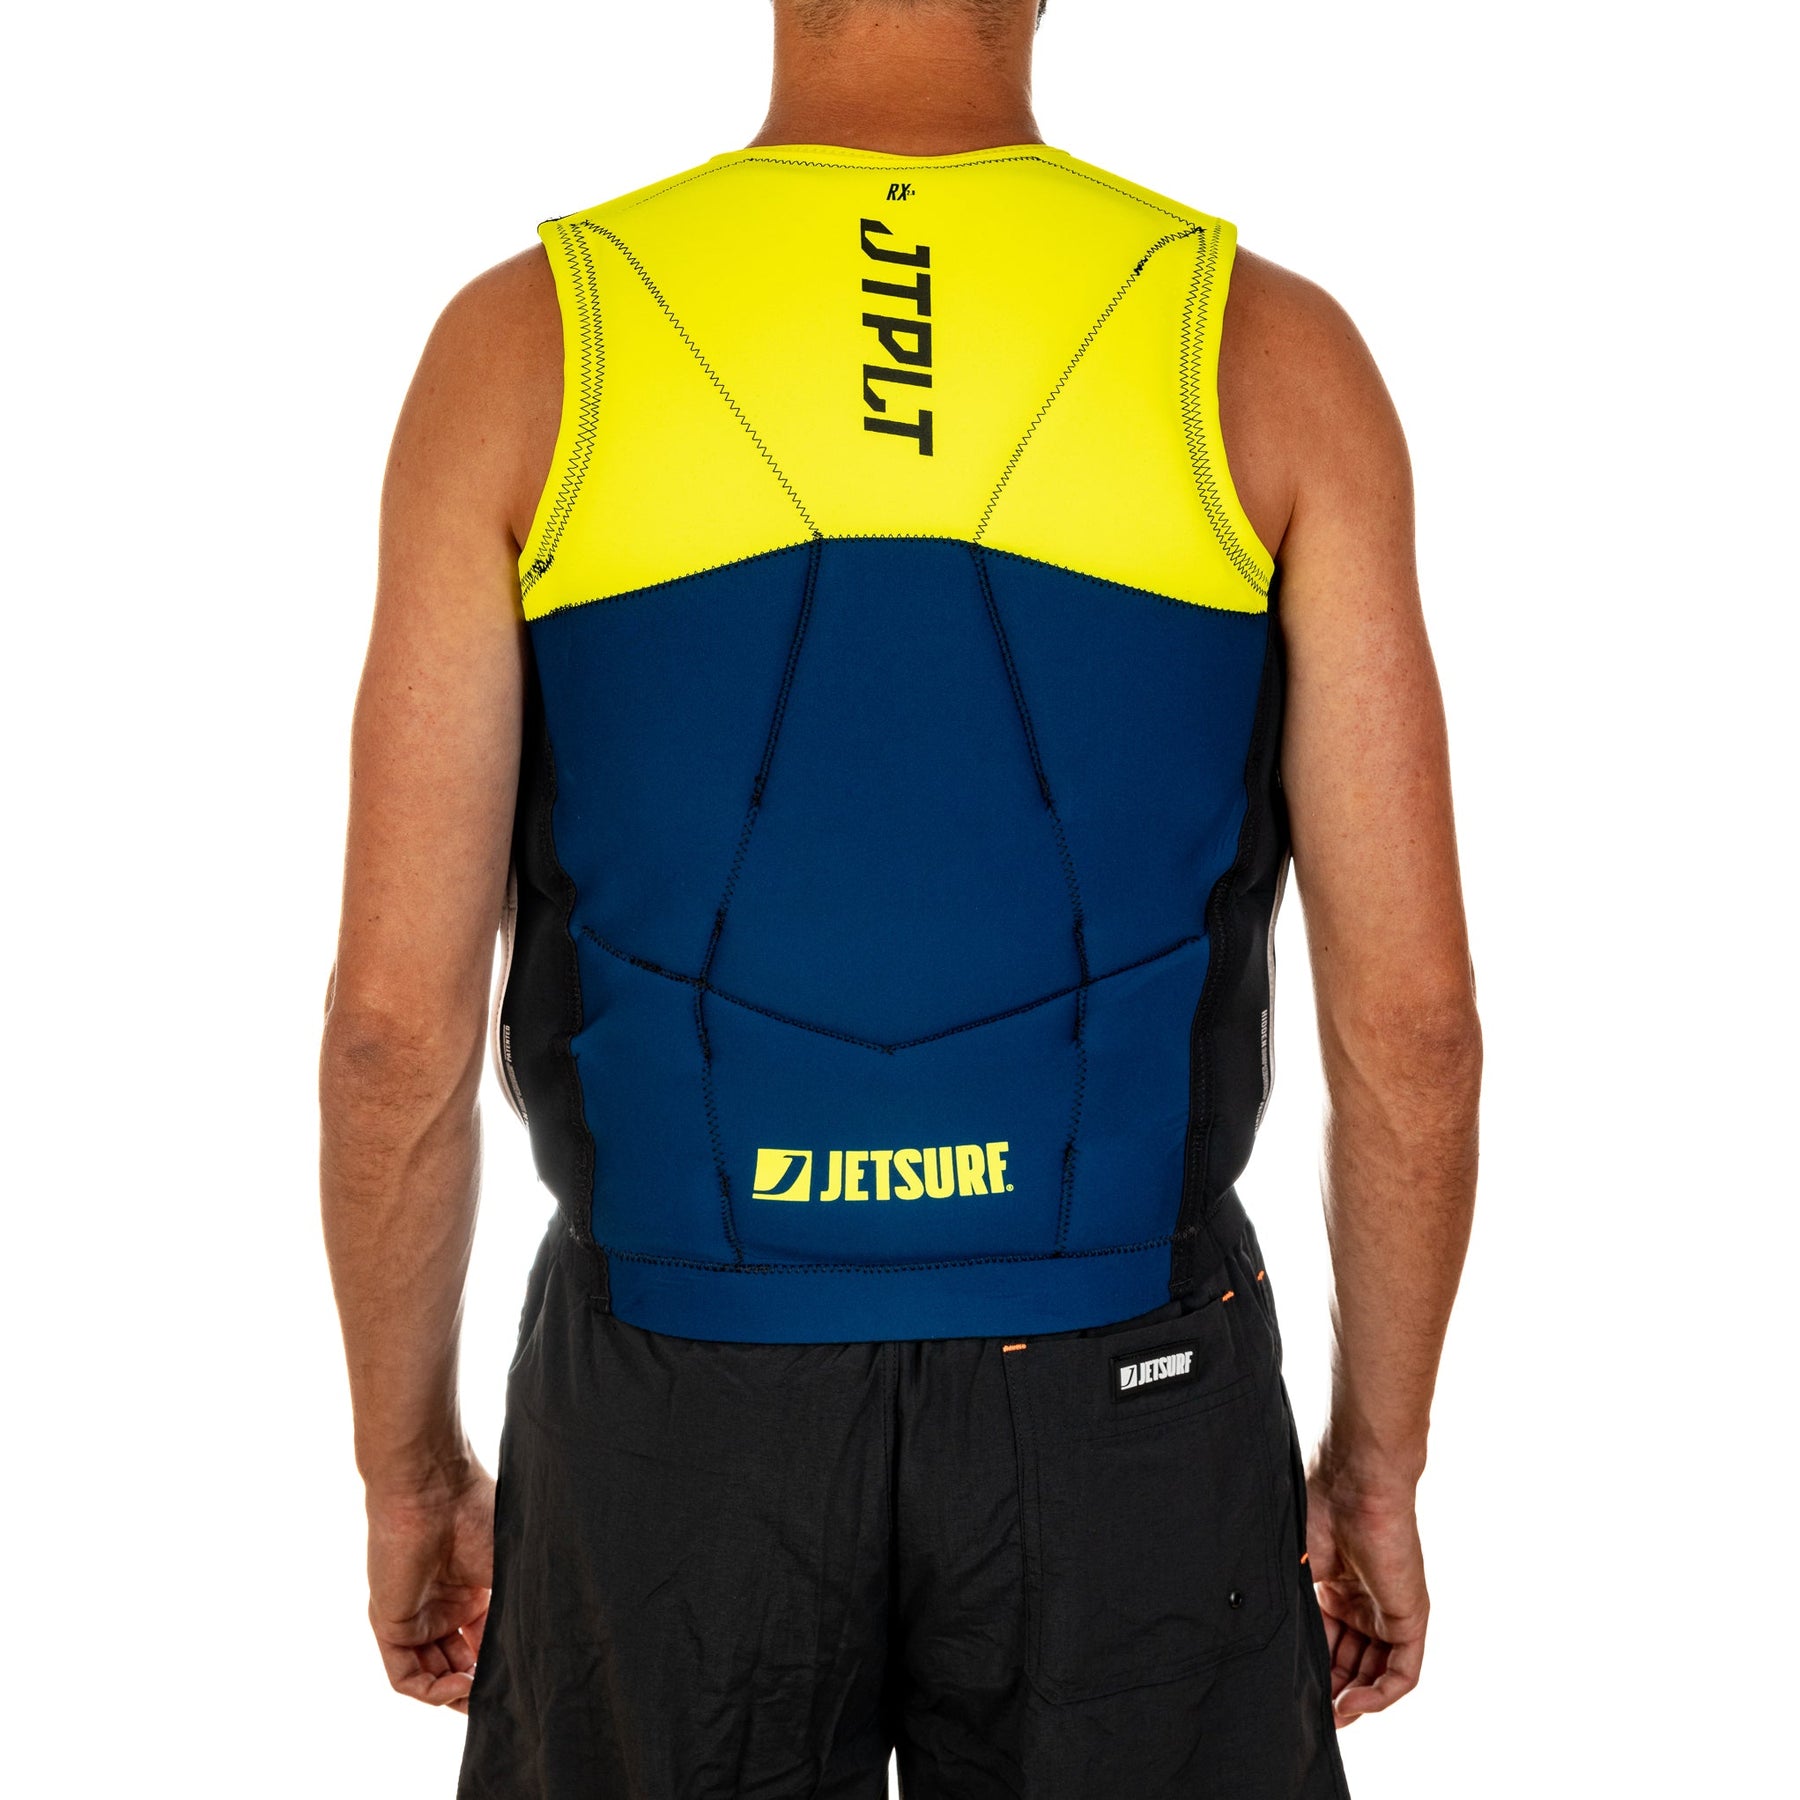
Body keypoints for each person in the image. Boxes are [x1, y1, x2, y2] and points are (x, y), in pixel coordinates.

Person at [319, 1, 1482, 1793]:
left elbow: (393, 1039)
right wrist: (1374, 1472)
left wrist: (409, 1478)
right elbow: (1414, 1030)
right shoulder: (1265, 351)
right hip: (1129, 1402)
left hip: (672, 1404)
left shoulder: (531, 344)